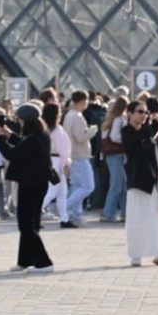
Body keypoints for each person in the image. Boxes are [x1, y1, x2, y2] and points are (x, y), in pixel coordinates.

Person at [0, 102, 53, 272]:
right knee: (30, 224)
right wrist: (10, 135)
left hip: (30, 185)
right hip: (38, 184)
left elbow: (12, 154)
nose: (18, 123)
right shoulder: (41, 135)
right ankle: (25, 260)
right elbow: (23, 145)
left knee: (26, 225)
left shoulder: (33, 140)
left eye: (19, 120)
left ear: (26, 121)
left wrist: (0, 137)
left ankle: (44, 262)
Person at [122, 103, 158, 267]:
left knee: (156, 218)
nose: (144, 115)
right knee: (136, 218)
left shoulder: (147, 131)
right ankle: (136, 254)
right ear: (129, 113)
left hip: (152, 180)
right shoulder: (127, 131)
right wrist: (155, 124)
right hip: (136, 182)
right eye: (140, 112)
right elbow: (133, 143)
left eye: (146, 112)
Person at [63, 91, 97, 227]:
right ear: (83, 101)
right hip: (80, 155)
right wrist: (93, 130)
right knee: (88, 186)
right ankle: (65, 207)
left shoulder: (69, 115)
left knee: (76, 186)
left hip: (72, 154)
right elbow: (81, 136)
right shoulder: (77, 116)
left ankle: (76, 215)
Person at [99, 96, 129, 222]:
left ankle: (125, 213)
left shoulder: (109, 119)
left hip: (110, 154)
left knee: (121, 185)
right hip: (117, 153)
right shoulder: (119, 119)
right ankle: (108, 213)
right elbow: (115, 136)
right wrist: (126, 141)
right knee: (117, 185)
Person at [41, 102, 71, 227]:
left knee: (61, 192)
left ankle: (64, 219)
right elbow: (63, 149)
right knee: (54, 191)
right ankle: (34, 214)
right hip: (58, 161)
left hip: (50, 160)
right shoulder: (57, 130)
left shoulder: (45, 128)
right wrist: (65, 165)